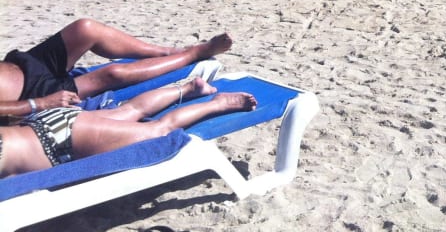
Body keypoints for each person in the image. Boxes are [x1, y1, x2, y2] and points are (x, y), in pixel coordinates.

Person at [0, 77, 256, 177]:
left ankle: (217, 103)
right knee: (128, 112)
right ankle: (188, 88)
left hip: (58, 141)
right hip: (44, 125)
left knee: (158, 130)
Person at [0, 18, 232, 118]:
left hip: (22, 64)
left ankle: (166, 52)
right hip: (33, 94)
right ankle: (196, 53)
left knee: (86, 28)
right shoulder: (37, 98)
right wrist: (38, 104)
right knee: (112, 74)